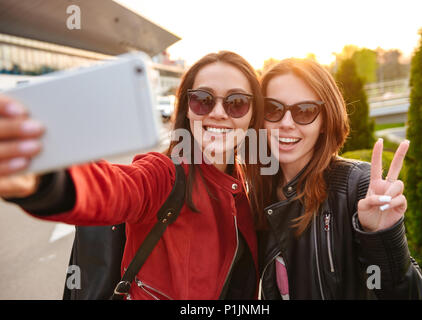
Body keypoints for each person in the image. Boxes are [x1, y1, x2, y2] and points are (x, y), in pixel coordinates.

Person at [0, 51, 264, 300]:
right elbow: (114, 188)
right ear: (187, 108)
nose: (218, 112)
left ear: (253, 115)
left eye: (236, 103)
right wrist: (44, 179)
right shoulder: (165, 175)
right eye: (203, 99)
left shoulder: (249, 188)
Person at [253, 58, 422, 299]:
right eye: (272, 108)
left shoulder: (357, 186)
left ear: (324, 121)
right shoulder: (251, 192)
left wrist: (382, 240)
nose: (286, 124)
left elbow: (406, 295)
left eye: (305, 111)